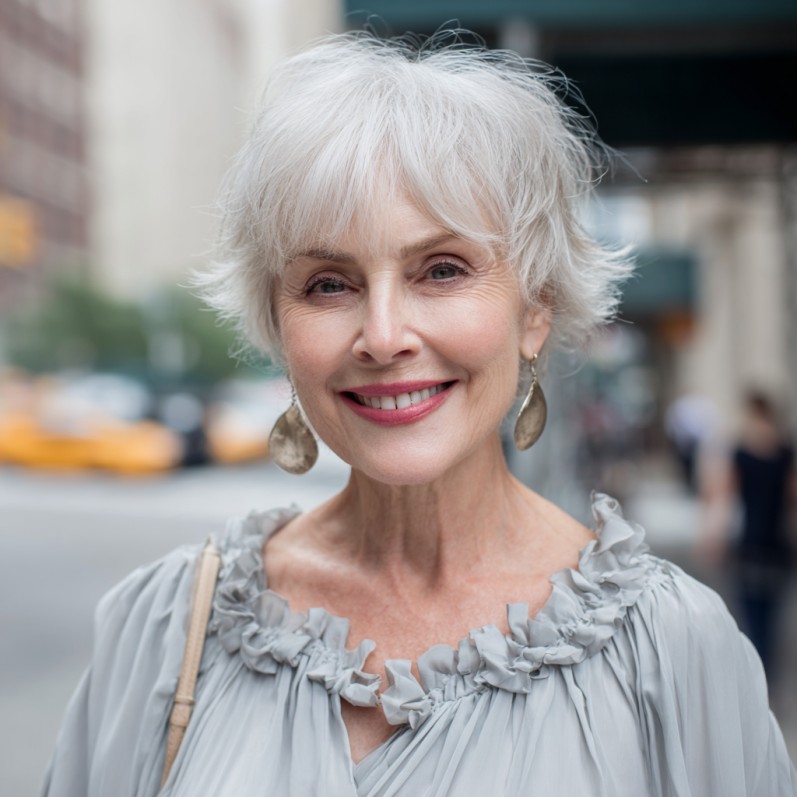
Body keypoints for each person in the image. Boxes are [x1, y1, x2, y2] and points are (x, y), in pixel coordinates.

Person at [42, 32, 796, 796]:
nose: (383, 335)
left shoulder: (672, 649)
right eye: (329, 284)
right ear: (277, 323)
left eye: (441, 270)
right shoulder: (167, 627)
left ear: (534, 308)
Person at [701, 390, 796, 678]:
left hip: (750, 544)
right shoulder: (785, 450)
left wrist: (712, 536)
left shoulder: (740, 451)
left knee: (752, 616)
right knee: (770, 615)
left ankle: (758, 675)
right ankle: (766, 672)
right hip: (778, 545)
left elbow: (722, 496)